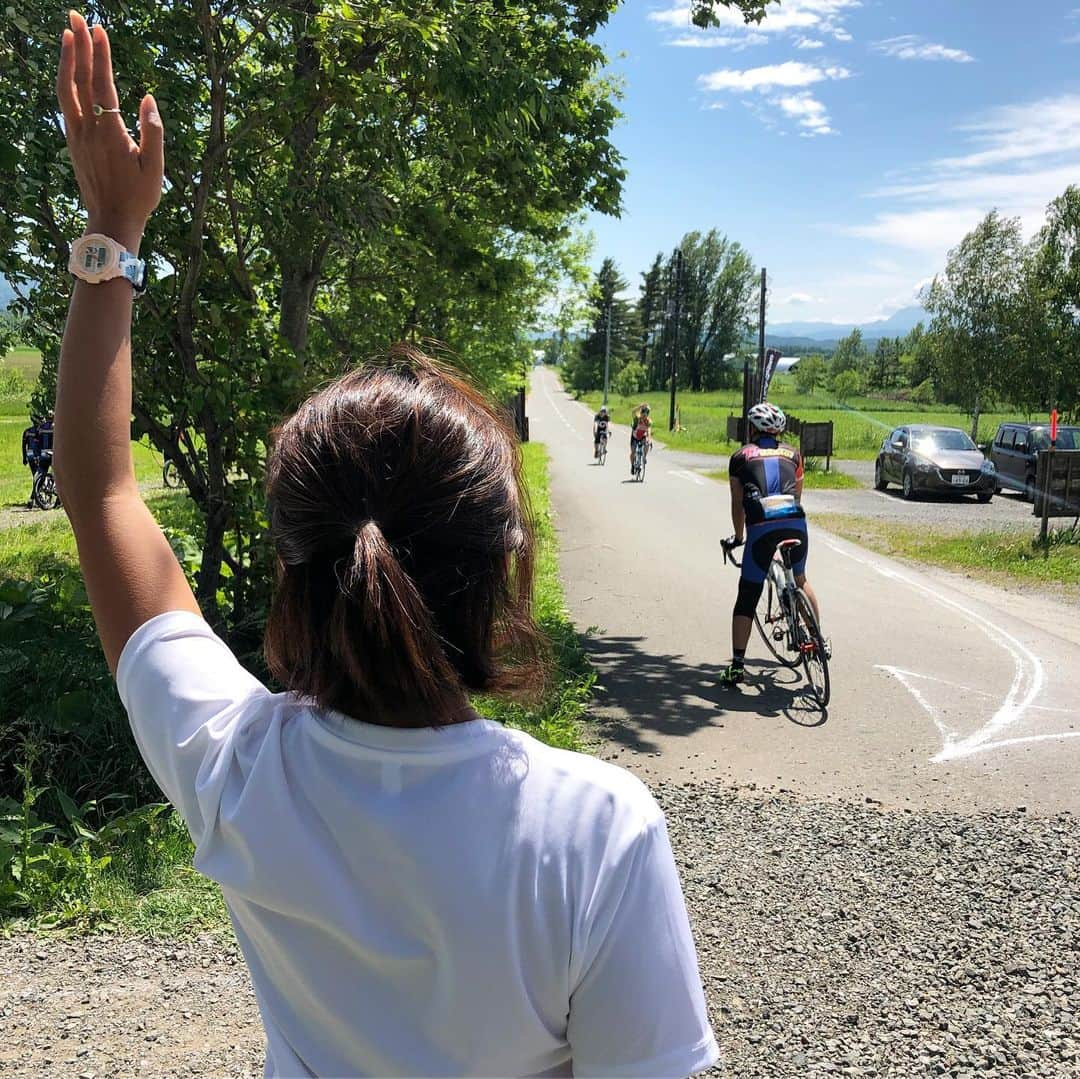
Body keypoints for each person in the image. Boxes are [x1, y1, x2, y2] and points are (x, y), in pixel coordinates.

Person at [52, 14, 719, 1078]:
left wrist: (111, 236)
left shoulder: (240, 771)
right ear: (503, 566)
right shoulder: (594, 831)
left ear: (293, 571)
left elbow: (101, 495)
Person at [719, 402, 823, 687]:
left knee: (748, 594)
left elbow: (738, 503)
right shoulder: (794, 454)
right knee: (800, 579)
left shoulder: (740, 457)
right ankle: (817, 640)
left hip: (762, 525)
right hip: (794, 519)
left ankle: (737, 667)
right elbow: (798, 494)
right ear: (779, 430)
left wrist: (738, 537)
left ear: (752, 429)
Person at [21, 414, 47, 507]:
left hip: (29, 454)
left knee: (36, 477)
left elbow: (24, 445)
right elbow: (39, 445)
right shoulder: (39, 431)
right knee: (40, 477)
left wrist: (24, 457)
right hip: (37, 455)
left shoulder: (27, 431)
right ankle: (33, 498)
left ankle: (37, 497)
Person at [630, 402, 652, 474]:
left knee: (647, 443)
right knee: (633, 452)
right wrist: (640, 406)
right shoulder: (637, 419)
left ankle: (644, 457)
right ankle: (633, 465)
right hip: (635, 436)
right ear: (641, 413)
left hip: (643, 436)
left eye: (646, 413)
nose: (644, 415)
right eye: (643, 413)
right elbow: (633, 412)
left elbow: (649, 430)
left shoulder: (648, 421)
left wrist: (649, 439)